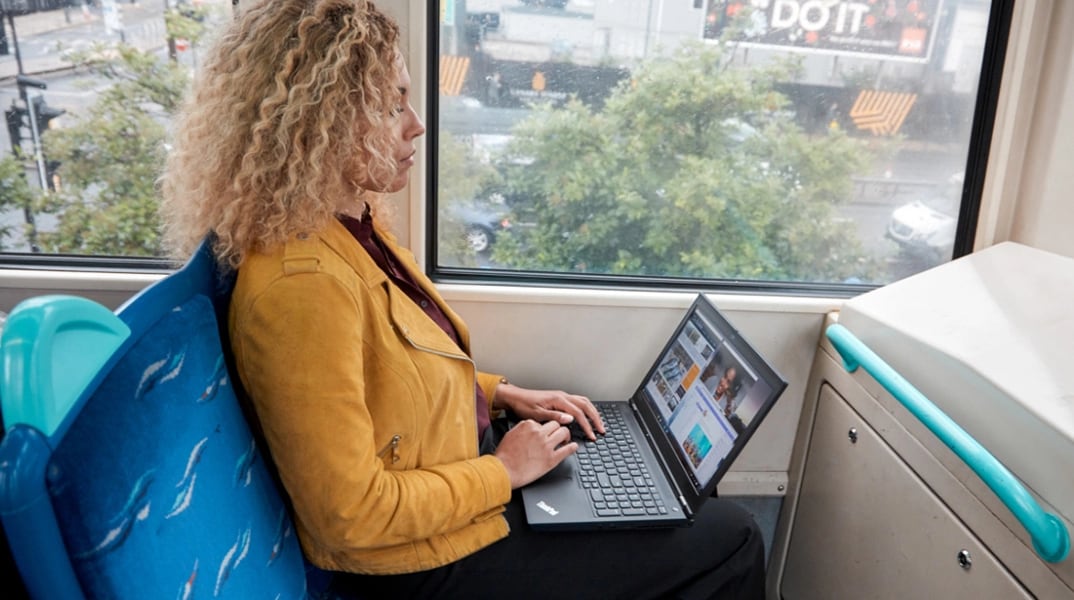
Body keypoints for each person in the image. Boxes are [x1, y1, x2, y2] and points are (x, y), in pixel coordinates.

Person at [160, 1, 765, 598]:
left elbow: (390, 379)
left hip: (456, 483)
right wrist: (505, 470)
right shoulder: (301, 287)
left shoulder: (348, 221)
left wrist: (500, 393)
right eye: (391, 104)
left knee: (677, 503)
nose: (416, 123)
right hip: (419, 564)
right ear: (320, 121)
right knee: (734, 537)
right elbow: (350, 518)